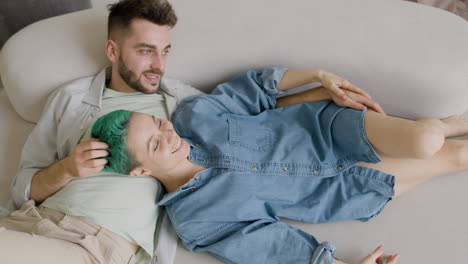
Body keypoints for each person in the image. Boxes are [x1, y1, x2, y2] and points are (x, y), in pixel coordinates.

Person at [0, 1, 389, 264]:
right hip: (37, 224)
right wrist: (67, 168)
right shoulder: (69, 100)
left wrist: (323, 85)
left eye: (165, 51)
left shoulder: (183, 106)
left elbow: (254, 115)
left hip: (97, 249)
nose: (159, 65)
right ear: (113, 51)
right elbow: (22, 189)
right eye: (145, 51)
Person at [90, 67, 468, 264]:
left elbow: (259, 90)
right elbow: (273, 252)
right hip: (344, 190)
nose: (169, 134)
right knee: (460, 157)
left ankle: (450, 123)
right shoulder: (196, 220)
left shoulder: (195, 114)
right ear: (140, 171)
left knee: (427, 140)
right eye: (156, 143)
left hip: (330, 129)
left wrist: (320, 79)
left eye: (158, 123)